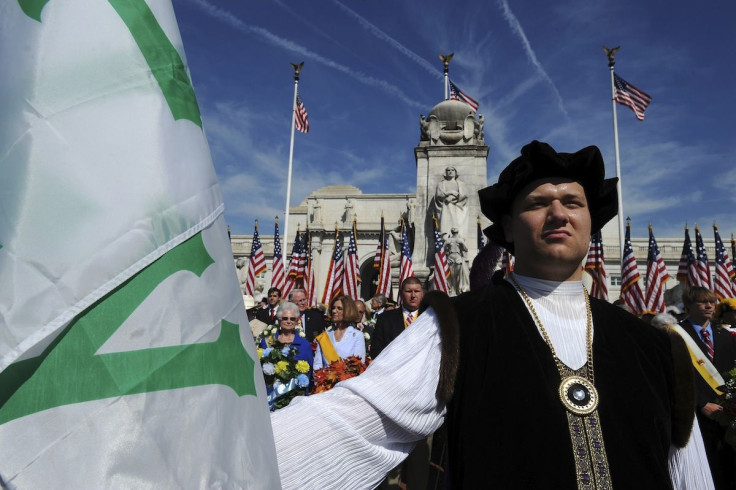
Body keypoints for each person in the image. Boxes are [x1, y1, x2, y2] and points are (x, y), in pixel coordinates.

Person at [271, 140, 710, 489]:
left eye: (573, 202)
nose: (558, 211)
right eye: (539, 202)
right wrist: (233, 456)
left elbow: (688, 472)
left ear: (592, 222)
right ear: (508, 227)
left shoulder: (655, 345)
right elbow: (359, 421)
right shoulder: (455, 327)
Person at [679, 287, 736, 489]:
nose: (709, 306)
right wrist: (701, 403)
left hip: (727, 415)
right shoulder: (676, 335)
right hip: (695, 415)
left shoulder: (725, 336)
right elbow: (677, 376)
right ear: (688, 306)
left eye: (712, 302)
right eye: (702, 302)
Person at [259, 302, 314, 396]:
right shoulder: (267, 342)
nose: (289, 321)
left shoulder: (305, 345)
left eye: (292, 319)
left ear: (297, 321)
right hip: (271, 395)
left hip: (296, 396)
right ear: (279, 319)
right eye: (285, 318)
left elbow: (310, 373)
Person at [369, 277, 424, 359]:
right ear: (401, 294)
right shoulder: (385, 319)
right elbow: (376, 350)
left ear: (422, 294)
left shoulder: (430, 318)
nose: (413, 295)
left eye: (416, 291)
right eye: (409, 291)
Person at [313, 295, 366, 370]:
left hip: (348, 380)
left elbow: (359, 365)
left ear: (348, 311)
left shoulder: (357, 336)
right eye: (333, 308)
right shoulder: (324, 336)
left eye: (339, 308)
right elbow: (317, 366)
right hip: (326, 380)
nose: (334, 311)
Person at [433, 166, 469, 234]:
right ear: (445, 173)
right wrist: (451, 192)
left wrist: (452, 198)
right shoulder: (441, 184)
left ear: (455, 173)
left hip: (458, 208)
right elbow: (439, 195)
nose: (450, 171)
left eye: (452, 170)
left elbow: (464, 194)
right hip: (445, 208)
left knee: (458, 225)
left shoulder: (461, 184)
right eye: (448, 170)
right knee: (445, 227)